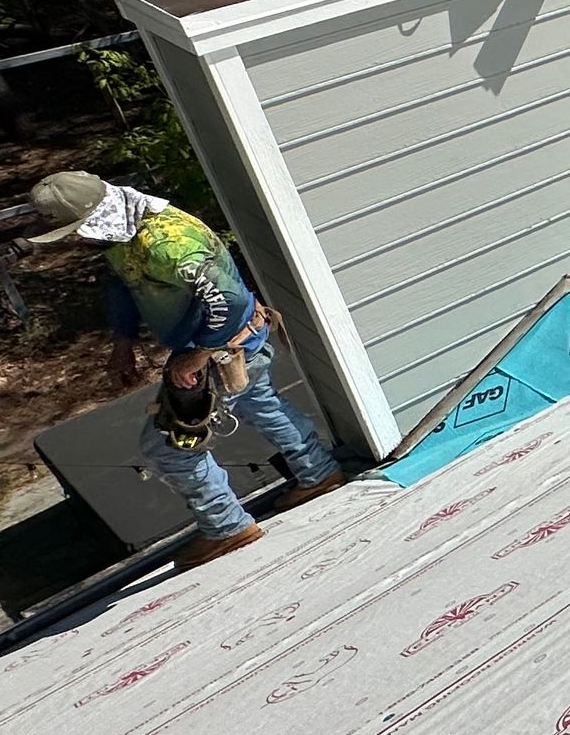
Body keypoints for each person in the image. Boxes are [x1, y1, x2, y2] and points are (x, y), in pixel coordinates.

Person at [24, 172, 345, 566]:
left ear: (93, 217)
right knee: (260, 403)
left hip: (225, 347)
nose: (74, 240)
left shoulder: (169, 246)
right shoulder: (119, 232)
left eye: (74, 232)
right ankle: (319, 473)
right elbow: (123, 283)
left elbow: (227, 301)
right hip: (234, 345)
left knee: (168, 444)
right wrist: (123, 341)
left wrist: (200, 354)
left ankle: (227, 526)